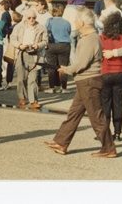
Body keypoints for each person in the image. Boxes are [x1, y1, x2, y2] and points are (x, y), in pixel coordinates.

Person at [44, 8, 116, 157]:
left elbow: (82, 63)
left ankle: (109, 148)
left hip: (88, 81)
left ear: (82, 22)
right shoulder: (89, 37)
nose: (74, 22)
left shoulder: (89, 39)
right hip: (85, 81)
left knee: (96, 116)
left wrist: (66, 69)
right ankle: (61, 143)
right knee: (74, 113)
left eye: (76, 20)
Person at [99, 13, 122, 141]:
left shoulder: (101, 39)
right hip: (120, 73)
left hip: (105, 73)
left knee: (105, 104)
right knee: (118, 104)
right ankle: (117, 133)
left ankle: (105, 133)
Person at [9, 8, 48, 108]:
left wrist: (38, 45)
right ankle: (22, 97)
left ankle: (33, 100)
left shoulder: (41, 27)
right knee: (21, 78)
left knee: (33, 79)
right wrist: (19, 45)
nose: (31, 19)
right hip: (22, 53)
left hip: (36, 55)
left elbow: (45, 41)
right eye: (29, 18)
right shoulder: (19, 26)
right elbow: (12, 38)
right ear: (25, 18)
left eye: (33, 17)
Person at [44, 4, 73, 93]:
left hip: (51, 44)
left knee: (51, 67)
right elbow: (69, 32)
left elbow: (46, 31)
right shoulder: (66, 22)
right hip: (64, 45)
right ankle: (64, 87)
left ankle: (51, 87)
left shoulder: (49, 21)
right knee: (63, 66)